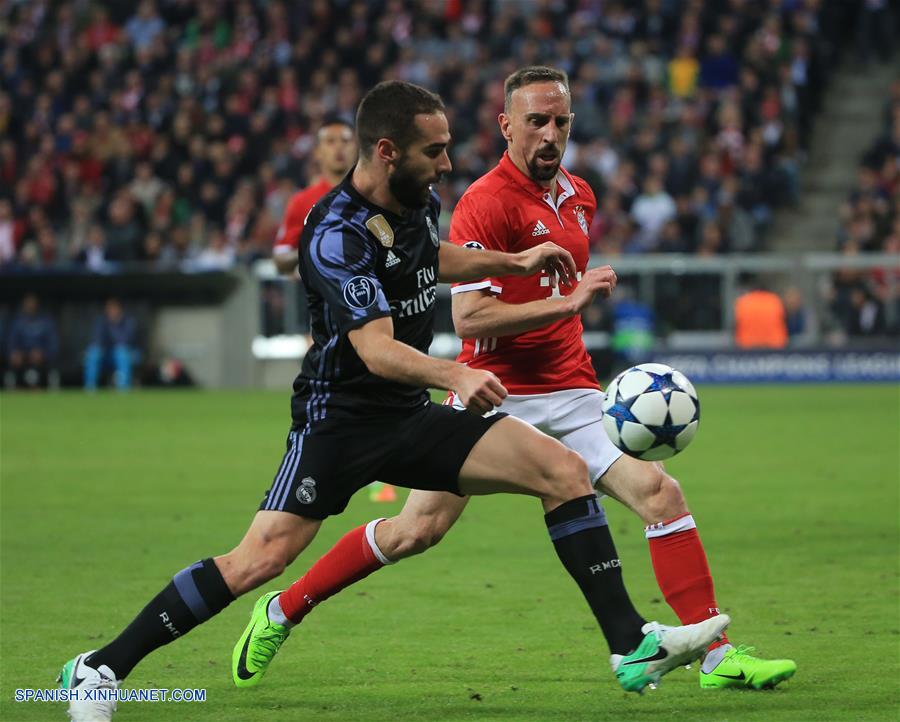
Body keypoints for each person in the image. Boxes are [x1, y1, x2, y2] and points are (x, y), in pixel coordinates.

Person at [60, 80, 728, 722]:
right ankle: (101, 668)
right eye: (433, 150)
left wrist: (511, 265)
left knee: (564, 472)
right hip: (338, 424)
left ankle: (629, 644)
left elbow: (427, 258)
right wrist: (454, 375)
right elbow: (376, 351)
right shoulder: (334, 233)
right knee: (257, 560)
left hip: (406, 417)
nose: (446, 162)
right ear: (387, 151)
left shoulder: (414, 200)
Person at [271, 68, 795, 693]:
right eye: (536, 122)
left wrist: (565, 313)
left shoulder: (579, 196)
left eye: (562, 122)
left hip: (572, 389)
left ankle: (717, 655)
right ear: (507, 126)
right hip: (493, 390)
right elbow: (471, 315)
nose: (551, 134)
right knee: (417, 530)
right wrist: (568, 304)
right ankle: (283, 608)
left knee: (661, 494)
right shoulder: (482, 203)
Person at [271, 115, 357, 275]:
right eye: (330, 141)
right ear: (318, 152)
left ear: (356, 148)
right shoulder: (301, 202)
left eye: (345, 141)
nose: (339, 147)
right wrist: (316, 250)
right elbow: (280, 257)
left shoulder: (373, 194)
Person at [4, 293, 58, 389]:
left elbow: (52, 344)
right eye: (28, 303)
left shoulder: (45, 321)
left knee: (37, 359)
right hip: (22, 355)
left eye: (32, 303)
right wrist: (14, 353)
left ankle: (38, 387)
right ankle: (14, 388)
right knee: (15, 359)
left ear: (37, 304)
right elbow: (11, 342)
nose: (30, 305)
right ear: (24, 305)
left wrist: (43, 353)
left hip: (40, 356)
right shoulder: (18, 322)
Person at [83, 298, 138, 391]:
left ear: (119, 309)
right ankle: (90, 388)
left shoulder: (128, 321)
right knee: (93, 353)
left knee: (121, 353)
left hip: (124, 354)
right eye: (109, 309)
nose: (111, 311)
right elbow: (96, 339)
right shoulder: (101, 321)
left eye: (114, 308)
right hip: (104, 354)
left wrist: (113, 325)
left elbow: (125, 341)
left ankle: (123, 388)